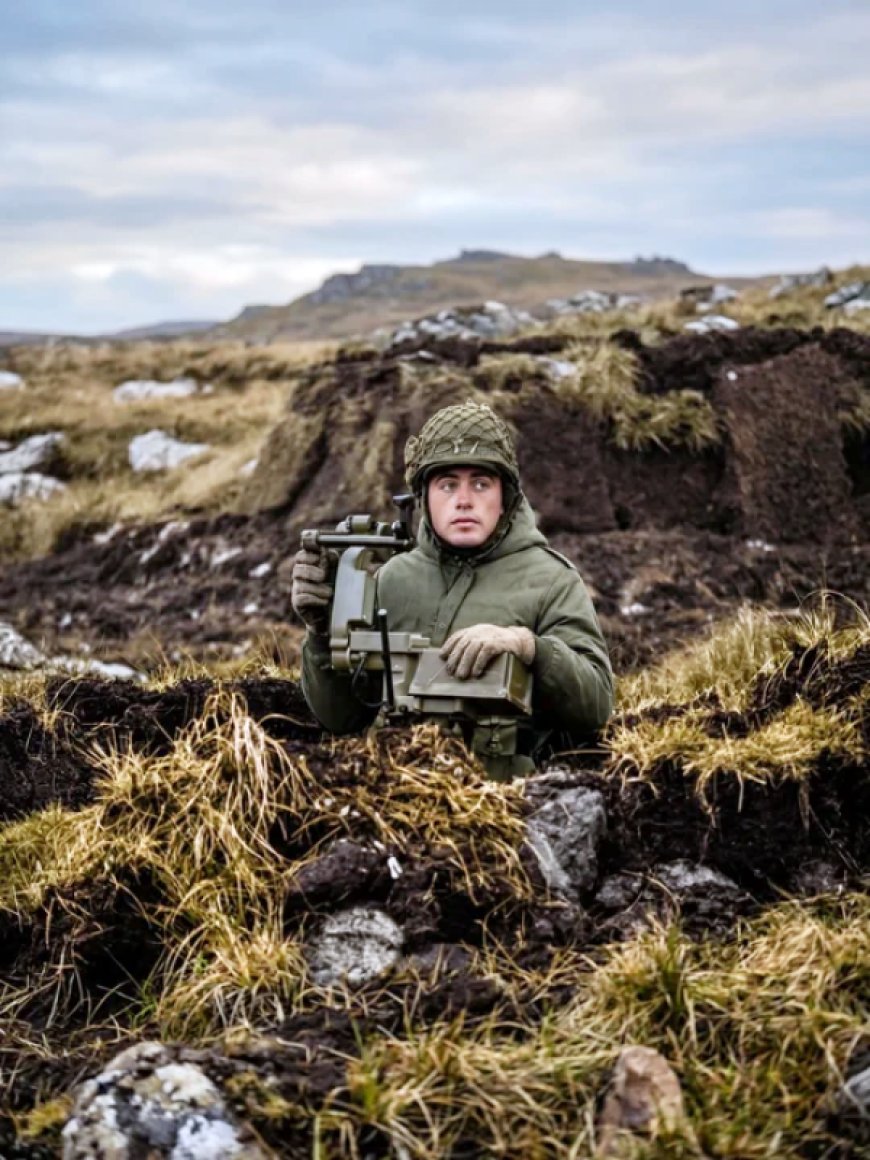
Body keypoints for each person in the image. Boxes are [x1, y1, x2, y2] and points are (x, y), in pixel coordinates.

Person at [292, 401, 613, 778]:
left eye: (480, 483)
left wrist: (527, 646)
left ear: (505, 496)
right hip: (398, 792)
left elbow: (596, 705)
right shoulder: (393, 579)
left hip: (511, 803)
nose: (464, 500)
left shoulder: (551, 580)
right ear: (423, 497)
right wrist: (322, 633)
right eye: (447, 484)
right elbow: (340, 719)